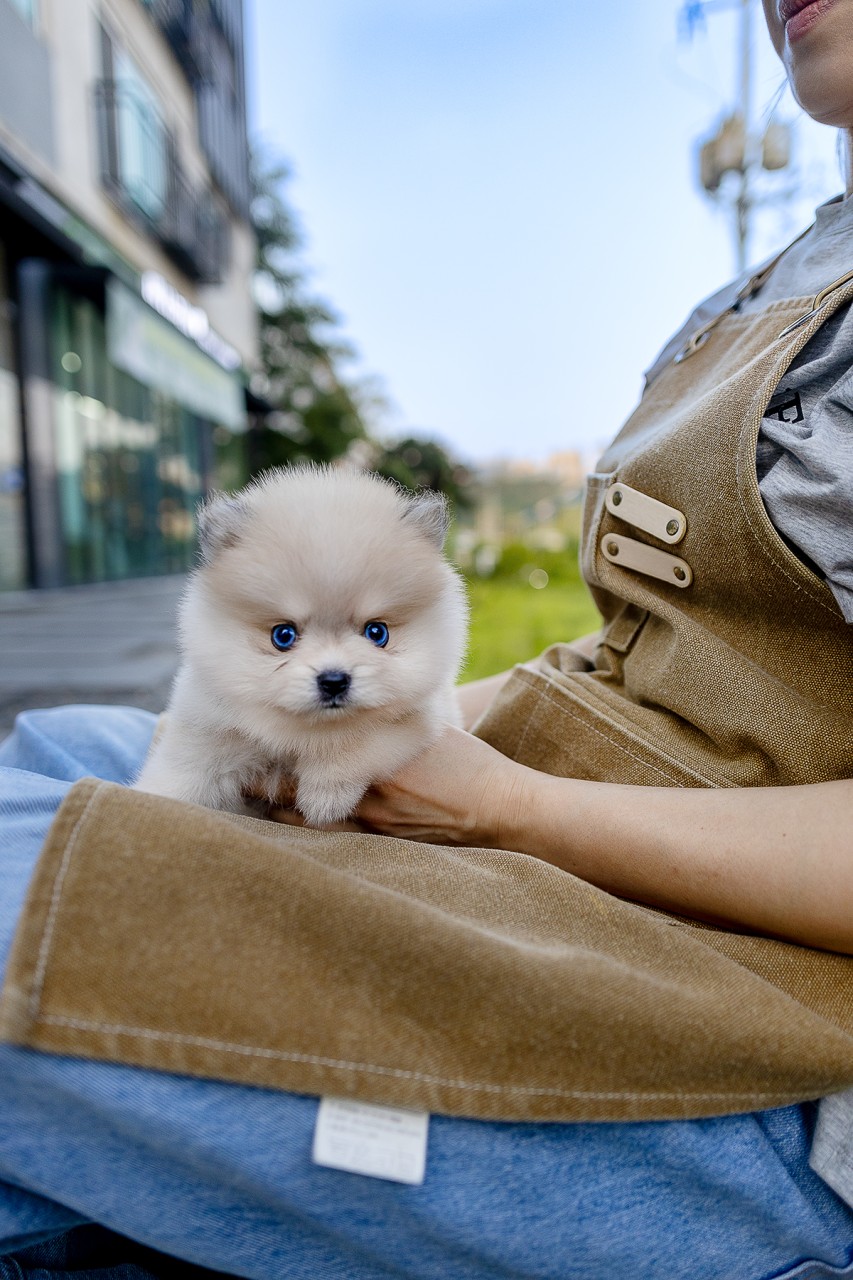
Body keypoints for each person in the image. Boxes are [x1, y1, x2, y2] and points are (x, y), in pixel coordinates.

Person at [1, 0, 852, 1275]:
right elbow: (640, 655)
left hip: (755, 1032)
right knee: (68, 748)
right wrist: (375, 716)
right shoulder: (782, 272)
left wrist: (503, 805)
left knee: (23, 881)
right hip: (610, 871)